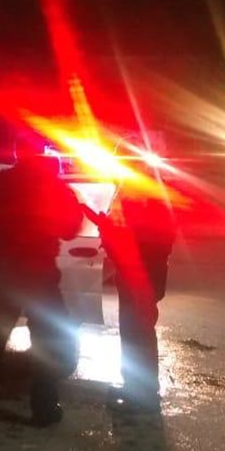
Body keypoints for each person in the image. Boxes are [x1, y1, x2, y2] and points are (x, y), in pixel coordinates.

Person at [0, 142, 85, 427]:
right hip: (41, 274)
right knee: (46, 341)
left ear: (19, 154)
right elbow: (71, 228)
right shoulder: (56, 188)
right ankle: (44, 409)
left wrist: (3, 227)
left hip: (6, 270)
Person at [84, 164, 176, 414]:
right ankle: (138, 390)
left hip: (139, 276)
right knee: (137, 333)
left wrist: (105, 227)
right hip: (144, 275)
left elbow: (133, 239)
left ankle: (141, 395)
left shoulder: (144, 200)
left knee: (137, 334)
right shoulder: (153, 198)